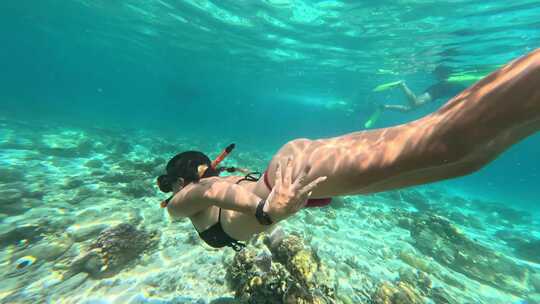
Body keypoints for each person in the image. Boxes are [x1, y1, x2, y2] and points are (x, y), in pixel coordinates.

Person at [157, 48, 540, 251]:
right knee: (465, 158)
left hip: (297, 169)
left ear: (180, 180)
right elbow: (217, 190)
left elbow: (208, 190)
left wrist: (263, 210)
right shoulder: (204, 200)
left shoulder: (186, 200)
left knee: (445, 138)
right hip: (301, 173)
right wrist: (265, 210)